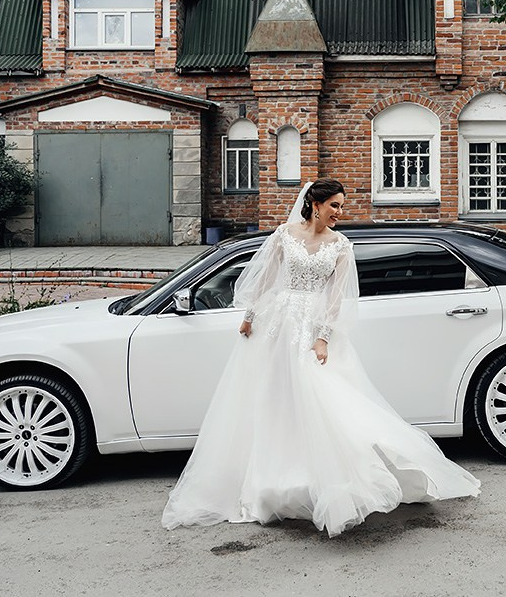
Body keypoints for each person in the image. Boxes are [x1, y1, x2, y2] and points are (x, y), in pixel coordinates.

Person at [162, 178, 480, 536]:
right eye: (335, 206)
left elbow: (336, 297)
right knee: (273, 398)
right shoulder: (284, 234)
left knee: (321, 399)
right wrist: (249, 317)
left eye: (342, 207)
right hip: (277, 326)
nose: (340, 213)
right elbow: (266, 278)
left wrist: (322, 338)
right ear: (316, 204)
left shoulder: (340, 245)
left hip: (311, 329)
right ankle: (271, 478)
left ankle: (326, 476)